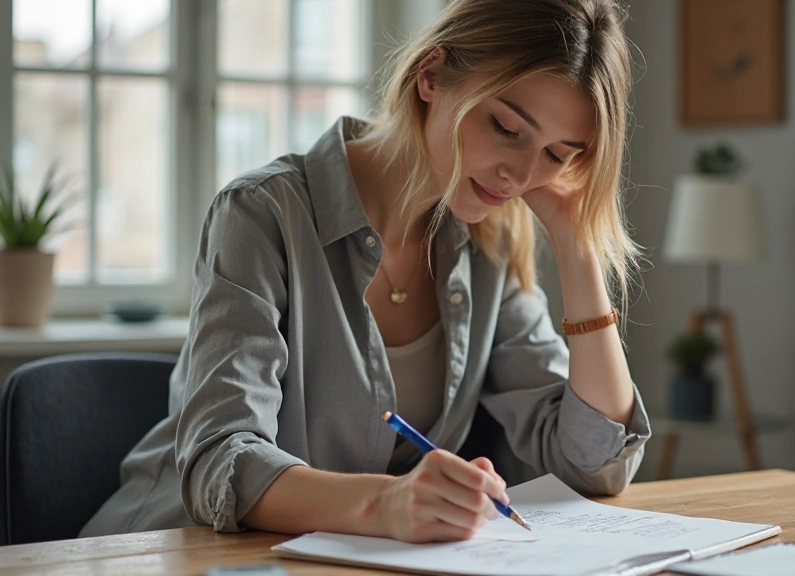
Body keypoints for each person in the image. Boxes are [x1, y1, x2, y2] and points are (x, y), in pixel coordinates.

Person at [81, 0, 650, 544]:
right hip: (171, 549)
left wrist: (578, 244)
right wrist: (387, 504)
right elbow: (220, 462)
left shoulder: (487, 249)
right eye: (506, 127)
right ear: (432, 76)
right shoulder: (261, 213)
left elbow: (596, 465)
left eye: (557, 154)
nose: (521, 175)